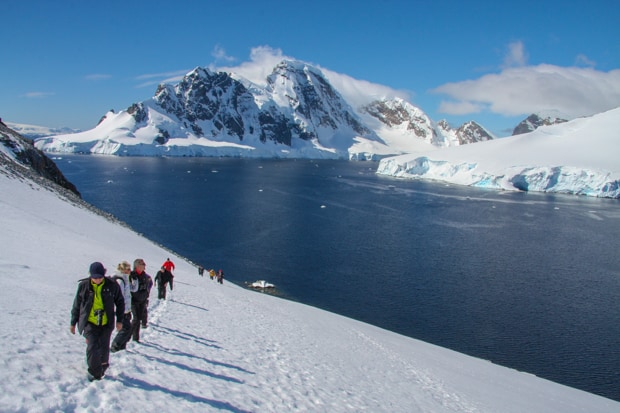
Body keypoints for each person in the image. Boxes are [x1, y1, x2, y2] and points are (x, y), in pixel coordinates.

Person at [70, 262, 124, 381]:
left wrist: (120, 320)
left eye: (100, 277)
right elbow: (77, 305)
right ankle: (94, 372)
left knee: (104, 347)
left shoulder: (112, 285)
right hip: (90, 322)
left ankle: (103, 367)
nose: (97, 280)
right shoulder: (84, 286)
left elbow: (120, 302)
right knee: (92, 347)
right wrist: (73, 322)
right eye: (94, 277)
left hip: (106, 323)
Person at [111, 261, 138, 352]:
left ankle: (121, 347)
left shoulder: (125, 279)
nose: (130, 271)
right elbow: (119, 297)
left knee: (127, 328)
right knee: (126, 328)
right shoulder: (119, 281)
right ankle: (115, 346)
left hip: (126, 308)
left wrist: (135, 279)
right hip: (121, 309)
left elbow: (133, 289)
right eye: (128, 269)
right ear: (123, 270)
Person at [129, 258, 152, 343]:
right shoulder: (131, 276)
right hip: (133, 301)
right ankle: (129, 336)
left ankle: (135, 338)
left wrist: (146, 297)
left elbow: (148, 285)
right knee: (135, 319)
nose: (145, 265)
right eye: (143, 264)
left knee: (138, 319)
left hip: (142, 301)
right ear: (137, 266)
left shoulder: (145, 276)